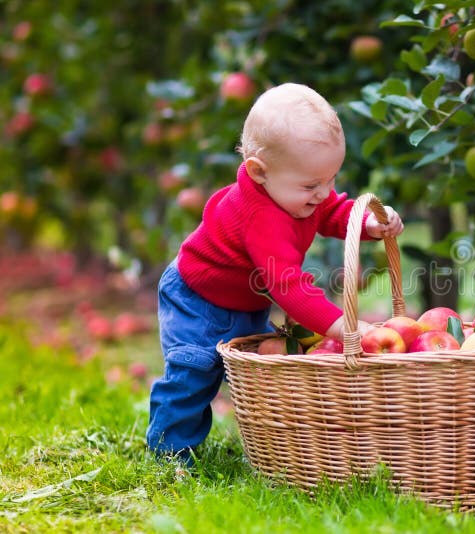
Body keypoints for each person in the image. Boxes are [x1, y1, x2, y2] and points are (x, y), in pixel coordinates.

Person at [146, 83, 404, 462]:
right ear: (259, 172)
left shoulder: (295, 191)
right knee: (195, 371)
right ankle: (169, 453)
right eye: (312, 185)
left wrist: (366, 224)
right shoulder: (260, 216)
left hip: (243, 296)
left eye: (331, 179)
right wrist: (342, 326)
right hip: (198, 298)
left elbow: (330, 211)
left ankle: (270, 445)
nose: (324, 192)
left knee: (255, 371)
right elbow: (288, 286)